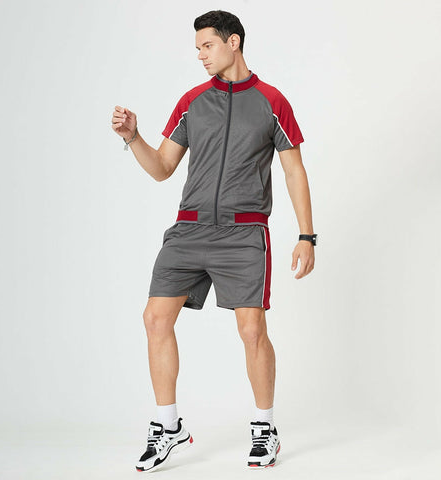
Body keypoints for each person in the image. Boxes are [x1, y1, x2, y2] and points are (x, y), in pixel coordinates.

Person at [111, 9, 316, 472]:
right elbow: (163, 168)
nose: (201, 55)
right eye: (198, 48)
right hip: (188, 229)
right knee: (155, 319)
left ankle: (264, 428)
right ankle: (168, 427)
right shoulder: (191, 102)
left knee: (252, 330)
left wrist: (307, 235)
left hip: (244, 233)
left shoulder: (272, 102)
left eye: (207, 45)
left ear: (233, 42)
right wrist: (133, 137)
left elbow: (294, 171)